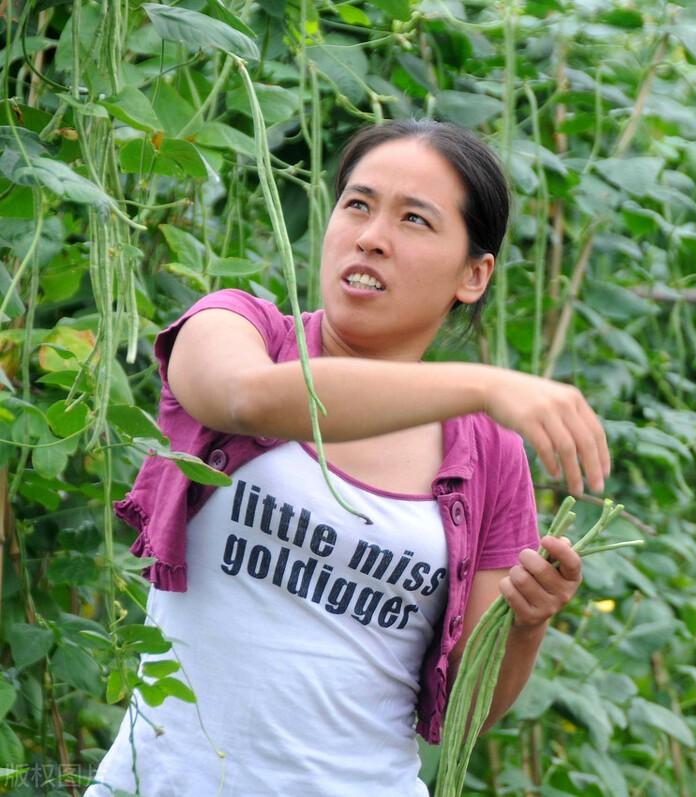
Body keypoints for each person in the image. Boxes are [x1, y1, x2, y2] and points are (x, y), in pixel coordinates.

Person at [86, 120, 610, 796]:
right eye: (357, 204)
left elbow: (469, 710)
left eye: (414, 219)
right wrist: (485, 384)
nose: (372, 235)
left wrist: (528, 624)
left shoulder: (489, 454)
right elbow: (245, 399)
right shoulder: (240, 330)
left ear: (475, 275)